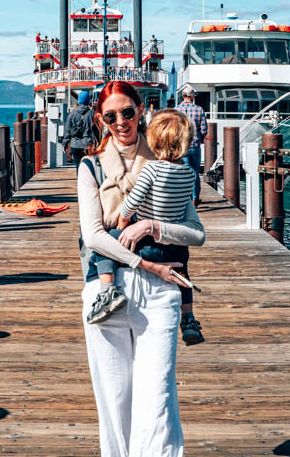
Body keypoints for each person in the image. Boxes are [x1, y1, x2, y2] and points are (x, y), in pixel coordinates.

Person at [77, 81, 205, 457]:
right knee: (115, 396)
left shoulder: (171, 165)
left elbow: (197, 232)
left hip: (162, 293)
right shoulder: (89, 167)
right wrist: (144, 263)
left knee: (158, 404)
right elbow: (92, 236)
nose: (121, 123)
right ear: (101, 121)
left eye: (127, 112)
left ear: (142, 111)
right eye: (111, 117)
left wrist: (153, 228)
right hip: (107, 287)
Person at [84, 108, 205, 346]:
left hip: (146, 243)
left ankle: (107, 291)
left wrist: (124, 219)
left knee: (106, 243)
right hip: (174, 246)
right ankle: (189, 318)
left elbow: (133, 200)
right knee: (182, 274)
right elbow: (184, 205)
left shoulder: (151, 168)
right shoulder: (190, 174)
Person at [176, 86, 208, 204]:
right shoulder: (199, 109)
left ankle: (185, 198)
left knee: (183, 173)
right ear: (192, 96)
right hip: (194, 146)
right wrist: (201, 138)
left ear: (183, 96)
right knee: (195, 173)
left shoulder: (176, 110)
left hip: (182, 147)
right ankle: (195, 198)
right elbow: (204, 129)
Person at [62, 90, 95, 167]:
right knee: (89, 167)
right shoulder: (92, 113)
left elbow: (67, 129)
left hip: (75, 145)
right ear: (88, 100)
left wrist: (65, 144)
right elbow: (96, 130)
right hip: (88, 145)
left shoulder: (72, 113)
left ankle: (79, 178)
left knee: (78, 166)